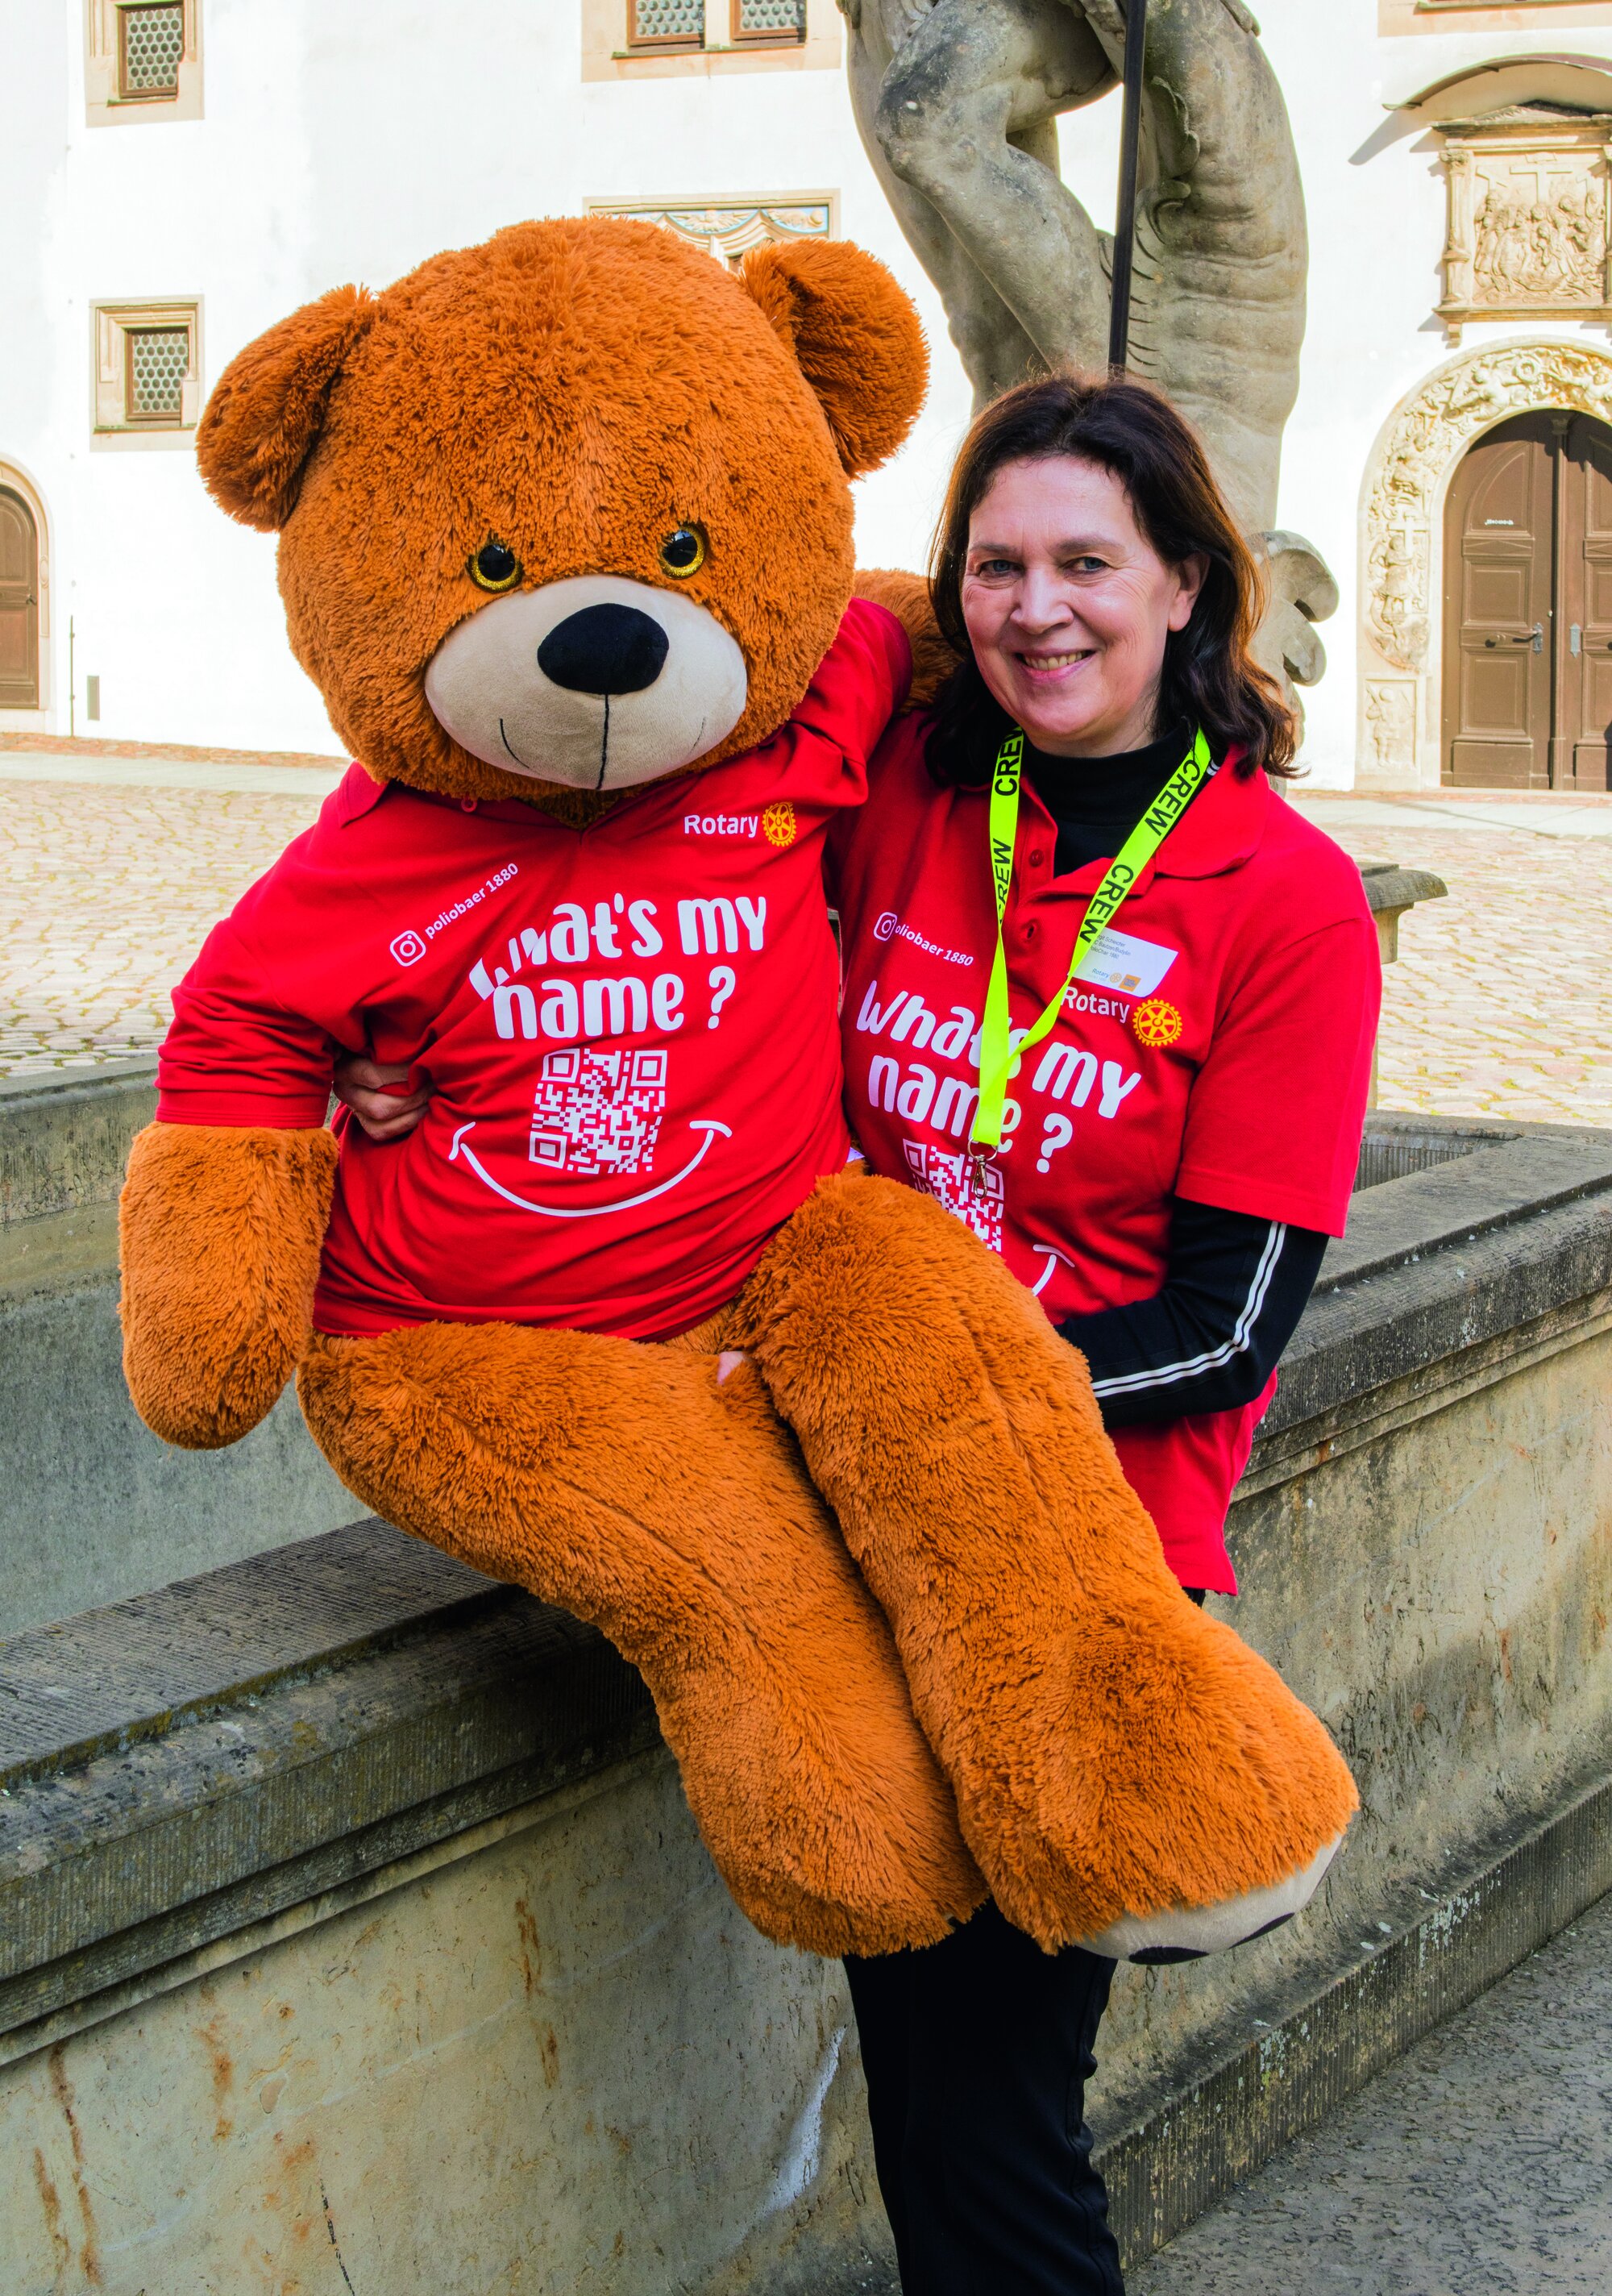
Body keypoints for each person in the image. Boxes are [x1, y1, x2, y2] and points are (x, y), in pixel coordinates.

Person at [332, 373, 1379, 2294]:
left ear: (1184, 591)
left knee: (988, 2126)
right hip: (835, 1546)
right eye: (996, 563)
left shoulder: (1283, 899)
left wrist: (917, 1410)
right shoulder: (897, 786)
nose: (1035, 608)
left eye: (1087, 562)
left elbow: (1224, 1326)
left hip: (1073, 1572)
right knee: (942, 2107)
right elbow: (617, 935)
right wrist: (407, 1065)